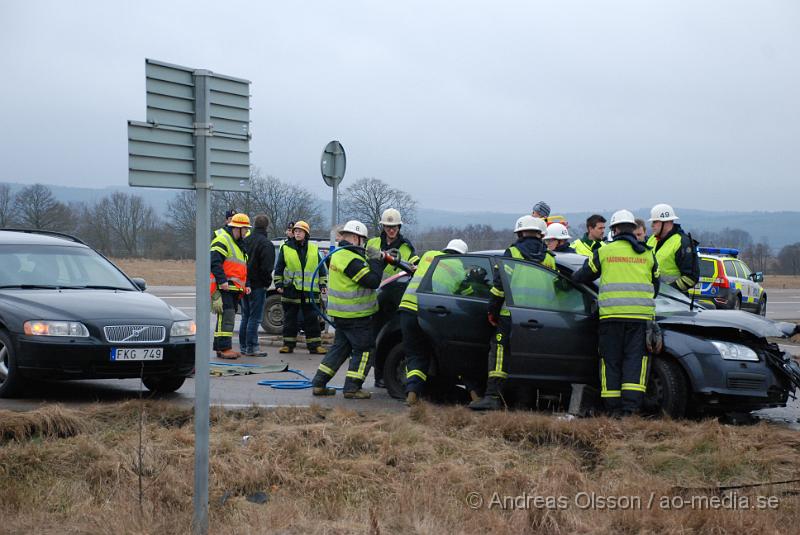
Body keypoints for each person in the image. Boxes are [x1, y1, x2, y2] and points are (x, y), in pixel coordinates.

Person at [572, 209, 660, 416]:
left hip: (611, 318)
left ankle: (613, 410)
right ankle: (630, 410)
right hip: (640, 319)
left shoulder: (605, 251)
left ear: (616, 229)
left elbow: (583, 275)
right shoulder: (648, 253)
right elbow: (656, 287)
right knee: (634, 362)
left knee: (610, 362)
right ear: (632, 229)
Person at [469, 215, 556, 411]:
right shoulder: (550, 258)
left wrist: (492, 309)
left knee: (500, 353)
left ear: (520, 232)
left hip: (511, 316)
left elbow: (500, 287)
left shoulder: (513, 253)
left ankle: (492, 396)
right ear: (541, 234)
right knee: (528, 356)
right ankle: (525, 401)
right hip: (542, 319)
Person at [311, 220, 385, 399]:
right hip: (356, 315)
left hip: (341, 315)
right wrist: (376, 261)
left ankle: (319, 383)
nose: (364, 244)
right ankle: (352, 387)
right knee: (365, 350)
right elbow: (372, 281)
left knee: (340, 349)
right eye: (362, 240)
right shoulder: (351, 259)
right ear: (355, 238)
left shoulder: (339, 254)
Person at [399, 239, 469, 406]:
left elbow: (415, 269)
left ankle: (412, 394)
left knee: (415, 354)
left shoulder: (429, 255)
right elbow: (465, 293)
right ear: (463, 255)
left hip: (406, 309)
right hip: (429, 312)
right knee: (439, 352)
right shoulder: (460, 268)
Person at [367, 208, 420, 388]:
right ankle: (377, 376)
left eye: (394, 227)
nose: (391, 230)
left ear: (399, 227)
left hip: (397, 297)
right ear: (383, 226)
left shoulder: (406, 246)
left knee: (391, 338)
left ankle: (387, 375)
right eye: (388, 226)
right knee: (375, 339)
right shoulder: (373, 243)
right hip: (376, 297)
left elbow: (415, 267)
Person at [274, 221, 327, 354]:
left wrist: (323, 284)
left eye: (300, 231)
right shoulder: (286, 248)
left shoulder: (314, 249)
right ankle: (288, 344)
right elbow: (279, 267)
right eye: (295, 231)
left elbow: (321, 268)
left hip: (310, 291)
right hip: (291, 289)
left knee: (312, 320)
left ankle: (315, 346)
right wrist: (279, 284)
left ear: (306, 234)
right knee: (290, 319)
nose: (297, 233)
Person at [210, 213, 251, 359]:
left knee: (227, 317)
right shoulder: (223, 240)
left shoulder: (239, 244)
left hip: (234, 288)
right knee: (226, 317)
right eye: (245, 229)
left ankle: (220, 348)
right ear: (237, 228)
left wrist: (247, 284)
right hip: (224, 287)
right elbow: (214, 262)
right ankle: (224, 348)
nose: (246, 232)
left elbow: (243, 268)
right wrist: (222, 281)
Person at [238, 213, 275, 357]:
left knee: (245, 316)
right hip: (258, 285)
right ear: (267, 226)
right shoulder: (266, 244)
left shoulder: (245, 241)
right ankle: (252, 347)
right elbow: (267, 268)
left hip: (244, 283)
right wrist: (266, 284)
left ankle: (243, 346)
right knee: (254, 318)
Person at [646, 204, 699, 293]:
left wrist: (667, 290)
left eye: (655, 222)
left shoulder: (682, 242)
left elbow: (691, 278)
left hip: (674, 302)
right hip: (654, 298)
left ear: (666, 222)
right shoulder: (651, 239)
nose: (652, 225)